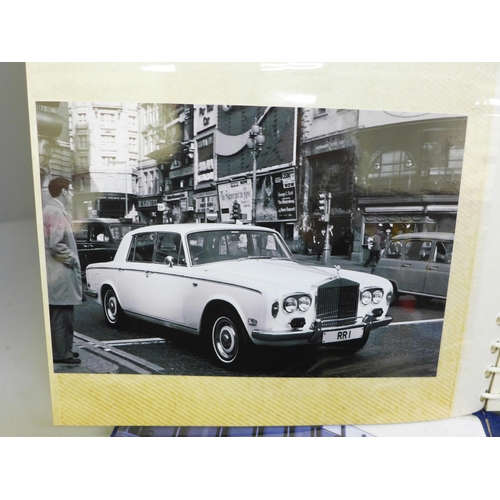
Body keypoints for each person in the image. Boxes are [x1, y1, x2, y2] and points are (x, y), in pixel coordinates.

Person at [43, 177, 83, 364]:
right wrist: (73, 259)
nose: (73, 193)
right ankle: (61, 353)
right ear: (64, 191)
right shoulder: (57, 212)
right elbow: (56, 244)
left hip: (54, 272)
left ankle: (63, 349)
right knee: (62, 315)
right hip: (60, 273)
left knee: (59, 314)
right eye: (71, 189)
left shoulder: (51, 209)